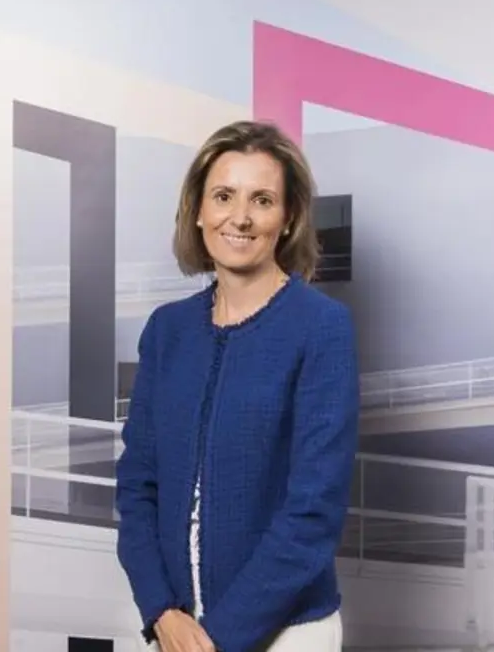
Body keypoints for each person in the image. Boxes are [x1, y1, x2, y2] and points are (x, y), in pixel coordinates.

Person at [115, 120, 360, 652]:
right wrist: (161, 611)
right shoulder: (167, 330)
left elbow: (313, 512)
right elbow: (137, 485)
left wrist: (218, 640)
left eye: (262, 200)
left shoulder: (322, 327)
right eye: (223, 196)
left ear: (288, 217)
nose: (240, 217)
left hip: (288, 634)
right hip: (175, 632)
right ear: (198, 210)